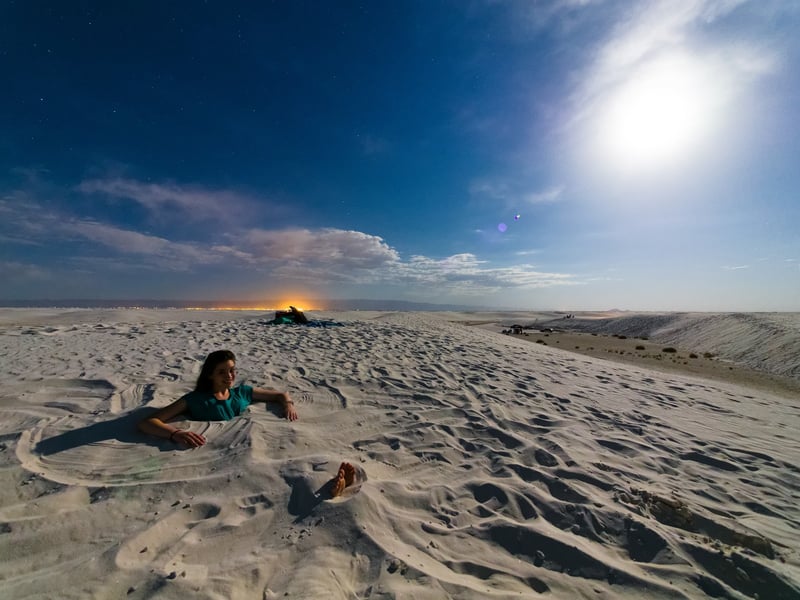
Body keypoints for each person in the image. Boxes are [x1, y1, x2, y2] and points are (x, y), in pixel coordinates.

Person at [138, 350, 298, 447]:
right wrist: (175, 434)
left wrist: (288, 406)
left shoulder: (241, 392)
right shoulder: (195, 399)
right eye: (222, 372)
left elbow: (280, 395)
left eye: (232, 370)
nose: (229, 376)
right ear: (210, 375)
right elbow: (147, 422)